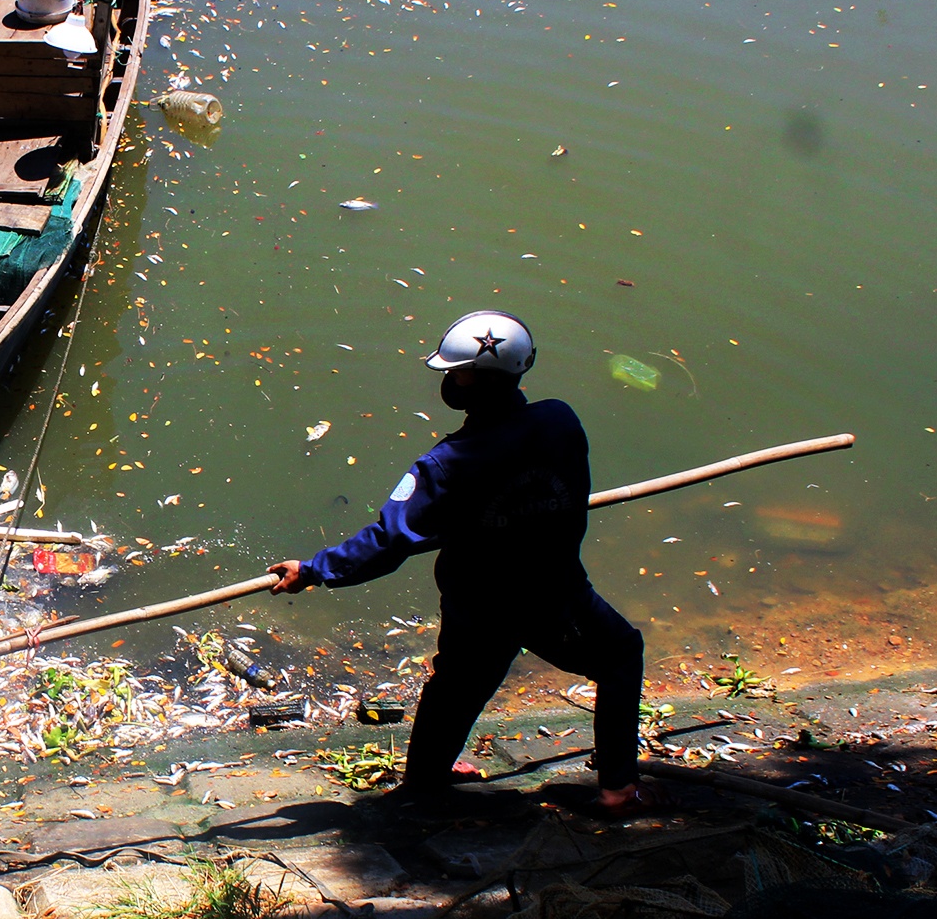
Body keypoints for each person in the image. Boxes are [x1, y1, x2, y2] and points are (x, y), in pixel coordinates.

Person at [270, 310, 668, 815]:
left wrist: (313, 570)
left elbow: (390, 540)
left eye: (454, 373)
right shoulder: (560, 421)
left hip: (478, 602)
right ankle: (618, 786)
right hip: (555, 593)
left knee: (457, 684)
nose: (448, 381)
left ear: (474, 381)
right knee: (618, 656)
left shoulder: (447, 464)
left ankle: (425, 782)